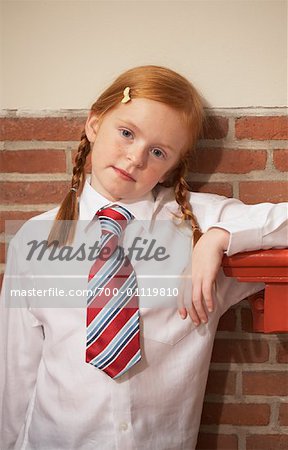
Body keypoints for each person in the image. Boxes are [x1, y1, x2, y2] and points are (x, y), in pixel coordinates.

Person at [0, 65, 287, 450]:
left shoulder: (199, 224)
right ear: (94, 124)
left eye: (157, 152)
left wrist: (219, 238)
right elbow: (15, 373)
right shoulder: (35, 240)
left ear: (172, 167)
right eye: (126, 133)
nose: (135, 158)